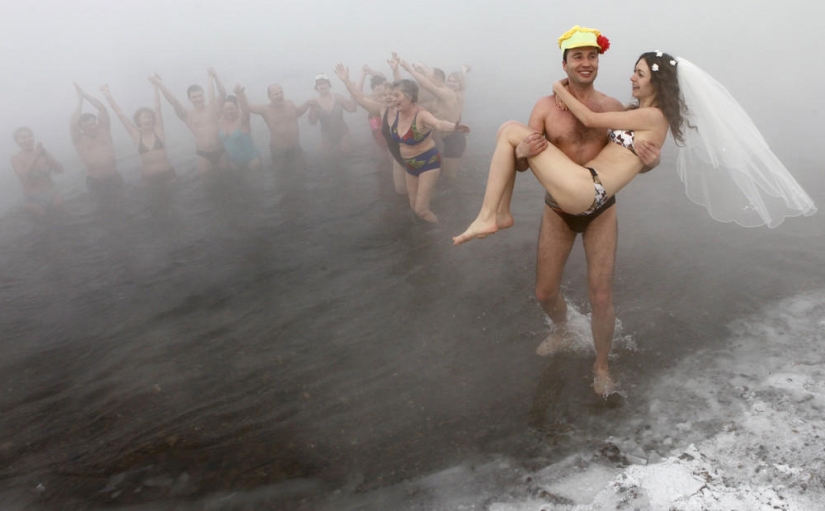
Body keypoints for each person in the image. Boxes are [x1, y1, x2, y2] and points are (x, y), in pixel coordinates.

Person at [455, 38, 816, 396]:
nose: (587, 63)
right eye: (578, 57)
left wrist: (651, 162)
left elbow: (622, 153)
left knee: (601, 297)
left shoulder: (614, 108)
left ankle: (601, 365)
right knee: (545, 292)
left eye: (593, 57)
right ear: (564, 63)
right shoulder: (549, 108)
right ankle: (562, 328)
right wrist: (522, 150)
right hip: (560, 205)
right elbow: (520, 164)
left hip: (598, 205)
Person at [335, 63, 469, 223]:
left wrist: (455, 126)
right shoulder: (384, 110)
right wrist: (346, 81)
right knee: (409, 202)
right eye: (387, 95)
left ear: (408, 97)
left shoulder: (420, 113)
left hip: (427, 161)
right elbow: (361, 99)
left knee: (421, 209)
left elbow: (438, 123)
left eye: (394, 95)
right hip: (406, 161)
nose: (390, 98)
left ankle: (445, 230)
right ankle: (425, 228)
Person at [338, 63, 406, 196]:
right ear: (373, 91)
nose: (381, 93)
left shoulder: (393, 102)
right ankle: (388, 185)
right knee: (383, 164)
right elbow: (359, 96)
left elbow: (395, 84)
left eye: (383, 90)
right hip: (379, 136)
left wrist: (373, 71)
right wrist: (358, 77)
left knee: (395, 163)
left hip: (394, 138)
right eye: (377, 90)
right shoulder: (374, 101)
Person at [401, 61, 470, 181]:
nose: (451, 83)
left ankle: (456, 198)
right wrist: (463, 71)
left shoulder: (448, 95)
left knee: (450, 177)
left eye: (455, 81)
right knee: (445, 174)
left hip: (453, 139)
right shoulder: (458, 93)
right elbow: (423, 101)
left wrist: (410, 70)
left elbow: (429, 85)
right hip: (451, 137)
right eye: (450, 80)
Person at [102, 78, 177, 187]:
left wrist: (155, 85)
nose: (148, 120)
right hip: (149, 179)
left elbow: (157, 108)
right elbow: (120, 114)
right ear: (138, 121)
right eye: (144, 118)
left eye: (150, 117)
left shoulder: (158, 131)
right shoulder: (136, 135)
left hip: (169, 176)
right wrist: (108, 95)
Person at [155, 67, 229, 174]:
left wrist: (215, 76)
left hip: (221, 150)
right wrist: (159, 84)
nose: (198, 99)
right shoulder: (187, 115)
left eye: (200, 95)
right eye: (195, 97)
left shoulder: (213, 107)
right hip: (204, 154)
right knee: (207, 184)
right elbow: (174, 101)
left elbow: (223, 93)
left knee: (228, 179)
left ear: (203, 95)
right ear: (190, 99)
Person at [70, 82, 122, 199]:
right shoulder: (79, 140)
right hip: (95, 181)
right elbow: (73, 122)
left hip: (114, 177)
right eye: (88, 126)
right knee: (101, 211)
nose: (92, 127)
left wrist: (84, 94)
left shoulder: (104, 131)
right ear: (82, 128)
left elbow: (102, 109)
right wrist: (80, 101)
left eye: (93, 123)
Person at [245, 83, 311, 172]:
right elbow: (247, 107)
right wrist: (240, 94)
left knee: (302, 171)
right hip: (279, 151)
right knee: (281, 176)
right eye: (276, 94)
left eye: (281, 92)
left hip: (295, 146)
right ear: (269, 97)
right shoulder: (265, 109)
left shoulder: (290, 103)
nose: (279, 95)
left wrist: (308, 103)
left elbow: (298, 112)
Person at [11, 127, 65, 217]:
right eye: (23, 137)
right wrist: (35, 155)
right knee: (43, 225)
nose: (28, 139)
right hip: (33, 199)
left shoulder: (43, 153)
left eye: (30, 136)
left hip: (52, 193)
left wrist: (46, 156)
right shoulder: (16, 158)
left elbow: (60, 170)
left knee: (63, 219)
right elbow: (24, 176)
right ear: (17, 142)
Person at [307, 73, 357, 156]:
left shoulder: (338, 97)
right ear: (316, 88)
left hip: (343, 135)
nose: (322, 86)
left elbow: (352, 109)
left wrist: (353, 93)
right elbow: (312, 122)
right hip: (326, 137)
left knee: (347, 158)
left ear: (329, 85)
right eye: (319, 84)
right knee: (330, 161)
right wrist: (312, 107)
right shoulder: (315, 103)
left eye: (324, 83)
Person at [219, 86, 262, 172]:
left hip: (251, 162)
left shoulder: (243, 121)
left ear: (237, 108)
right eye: (226, 109)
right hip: (234, 164)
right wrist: (213, 77)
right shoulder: (222, 121)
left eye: (232, 108)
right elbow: (213, 101)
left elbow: (245, 109)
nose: (229, 111)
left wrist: (240, 94)